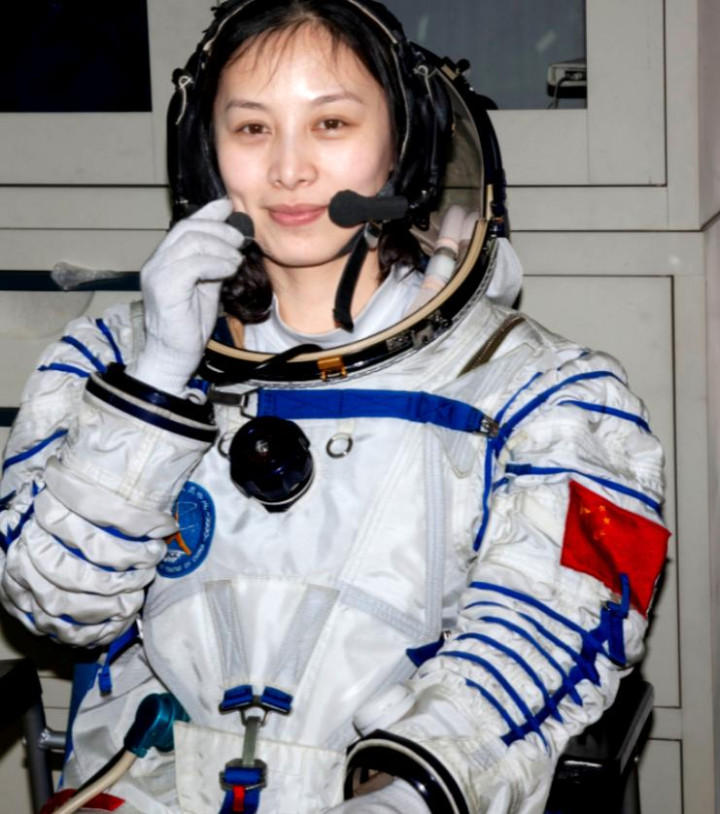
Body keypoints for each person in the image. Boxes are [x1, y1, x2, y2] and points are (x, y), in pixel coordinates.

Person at [0, 1, 669, 812]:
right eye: (252, 128)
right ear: (207, 153)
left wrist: (406, 789)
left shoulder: (545, 394)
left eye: (331, 124)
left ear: (403, 143)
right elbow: (59, 606)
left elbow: (541, 638)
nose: (289, 171)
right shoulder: (108, 364)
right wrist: (158, 382)